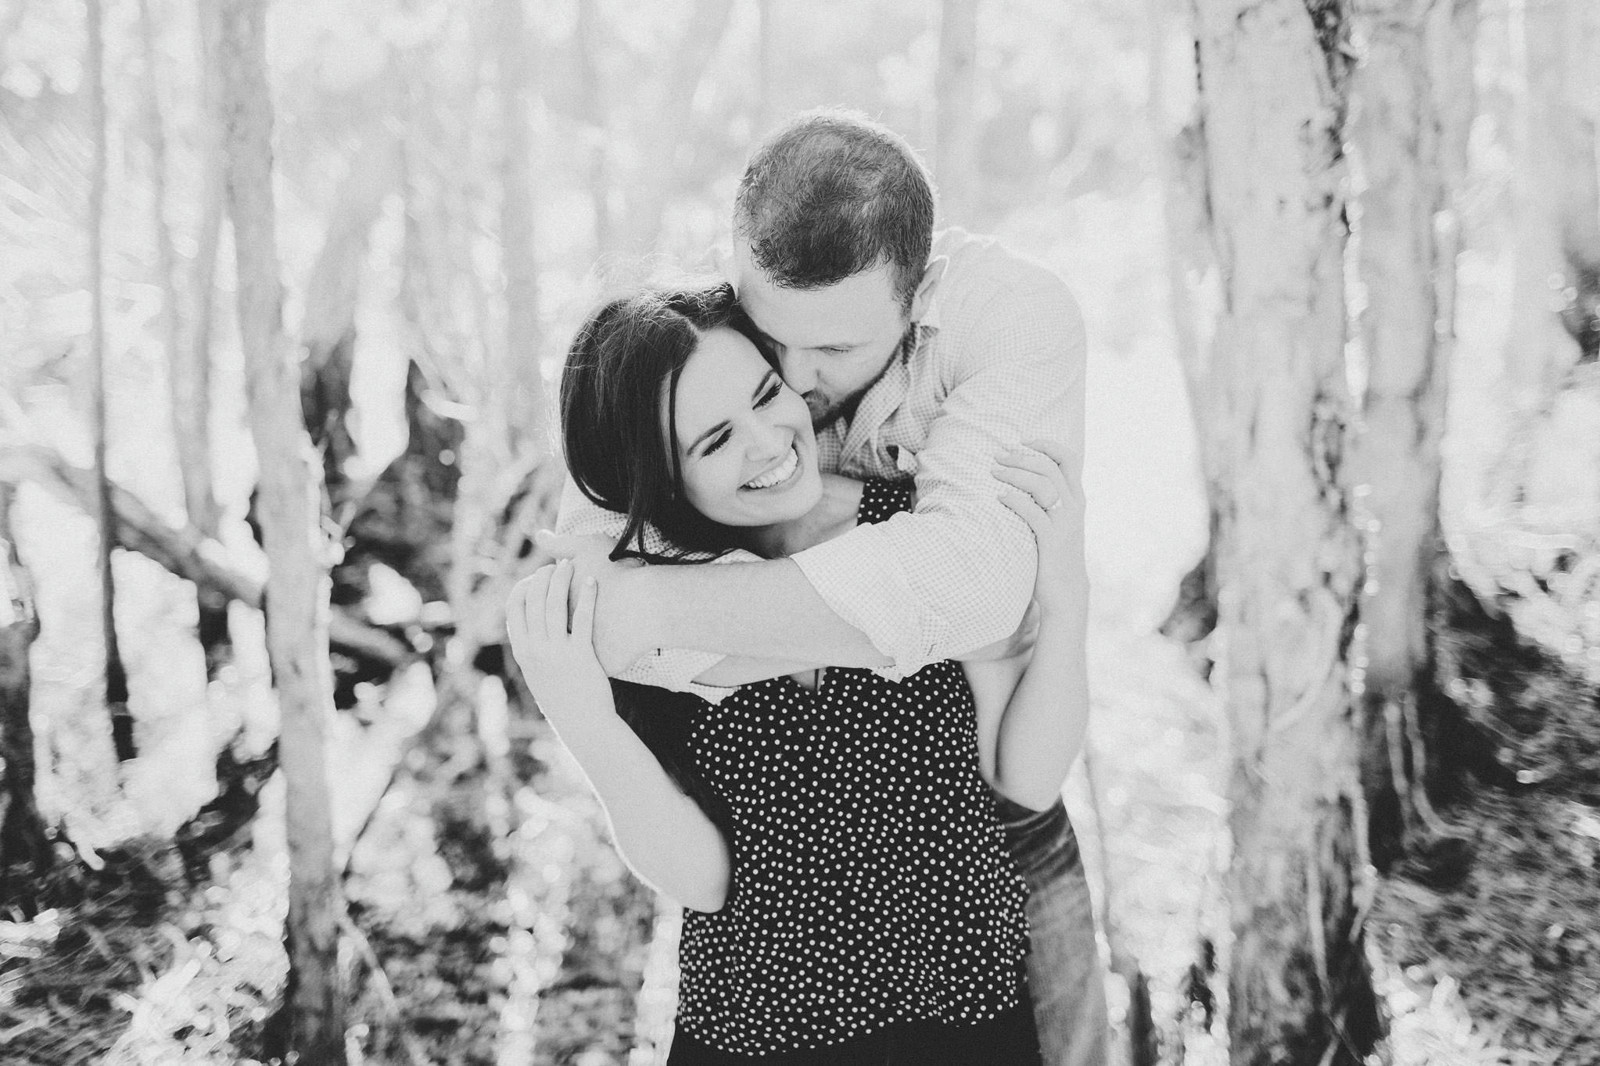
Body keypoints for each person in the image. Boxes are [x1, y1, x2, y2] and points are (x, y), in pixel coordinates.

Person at [542, 110, 1106, 1065]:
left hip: (979, 904)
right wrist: (599, 668)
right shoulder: (701, 336)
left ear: (917, 294)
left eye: (833, 352)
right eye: (770, 345)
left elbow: (975, 593)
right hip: (768, 1003)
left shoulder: (1007, 322)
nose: (794, 386)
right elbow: (591, 565)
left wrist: (651, 618)